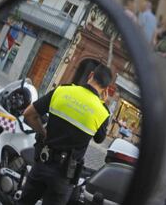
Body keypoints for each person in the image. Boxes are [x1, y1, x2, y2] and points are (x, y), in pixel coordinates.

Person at [18, 65, 112, 205]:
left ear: (91, 74)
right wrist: (102, 103)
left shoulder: (62, 90)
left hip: (43, 163)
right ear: (106, 90)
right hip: (64, 176)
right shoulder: (102, 112)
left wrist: (43, 132)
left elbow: (28, 114)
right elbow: (99, 139)